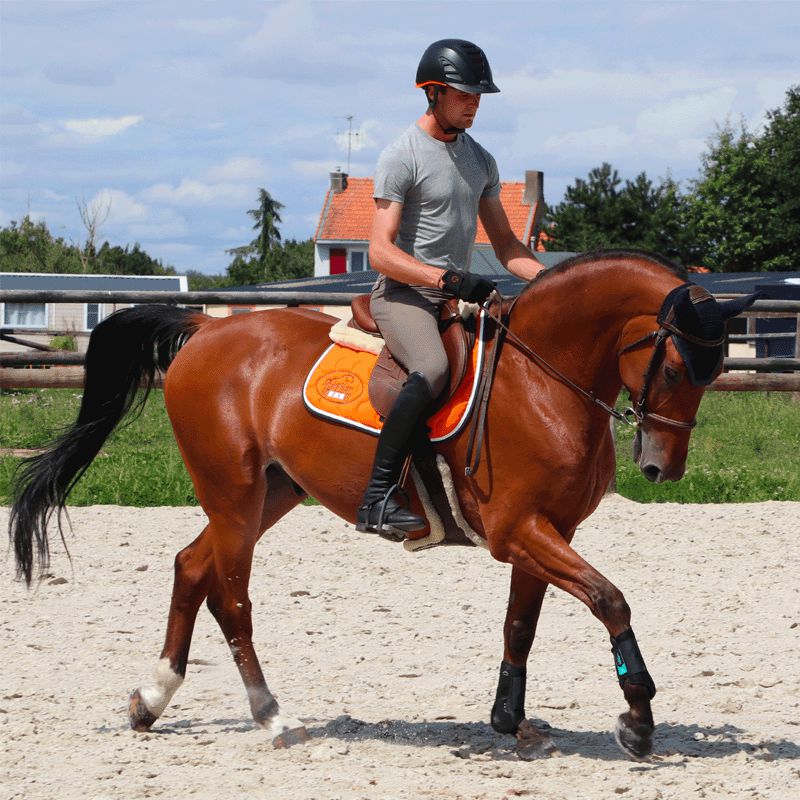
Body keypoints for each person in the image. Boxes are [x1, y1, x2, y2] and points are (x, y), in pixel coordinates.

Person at [356, 38, 545, 535]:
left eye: (479, 95)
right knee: (433, 367)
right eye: (465, 94)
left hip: (459, 295)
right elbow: (380, 251)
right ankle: (376, 498)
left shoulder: (480, 161)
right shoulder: (402, 155)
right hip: (405, 296)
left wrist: (558, 281)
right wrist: (447, 278)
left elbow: (508, 247)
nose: (475, 103)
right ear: (433, 91)